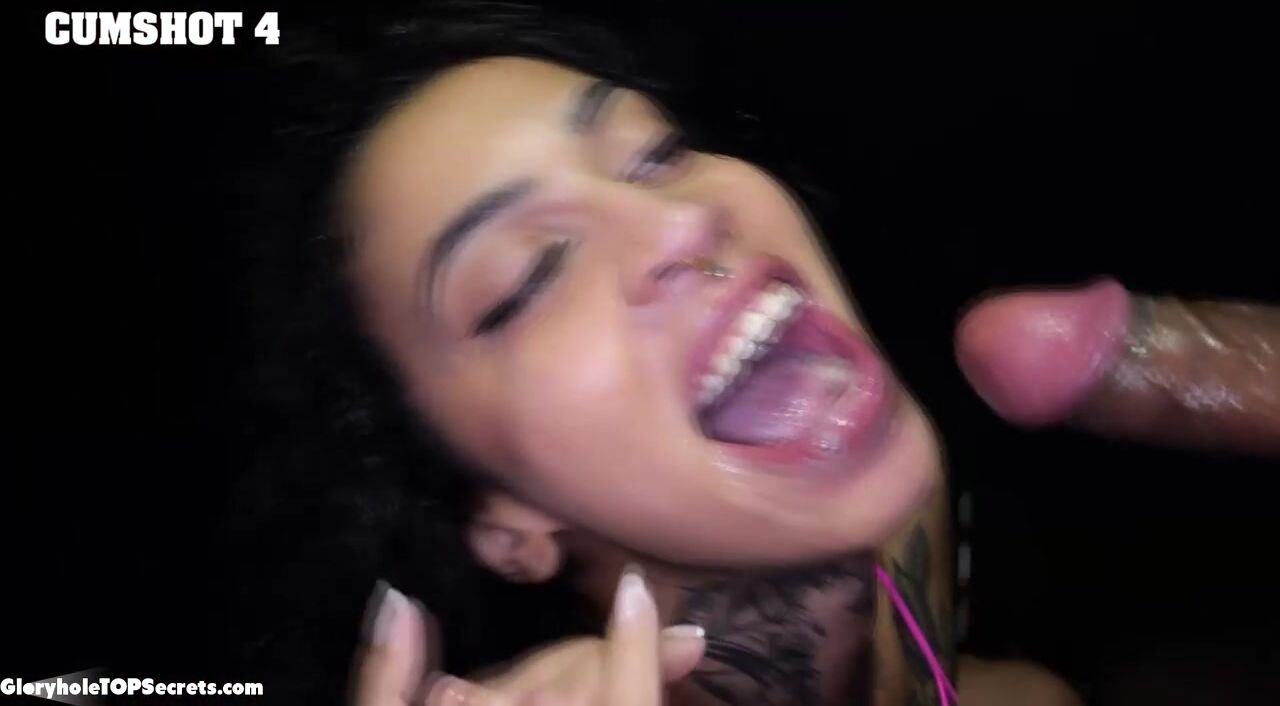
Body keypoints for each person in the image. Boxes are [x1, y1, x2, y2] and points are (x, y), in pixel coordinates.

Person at [237, 4, 1277, 705]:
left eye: (655, 152)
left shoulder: (953, 602)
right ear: (503, 523)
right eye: (530, 276)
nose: (679, 220)